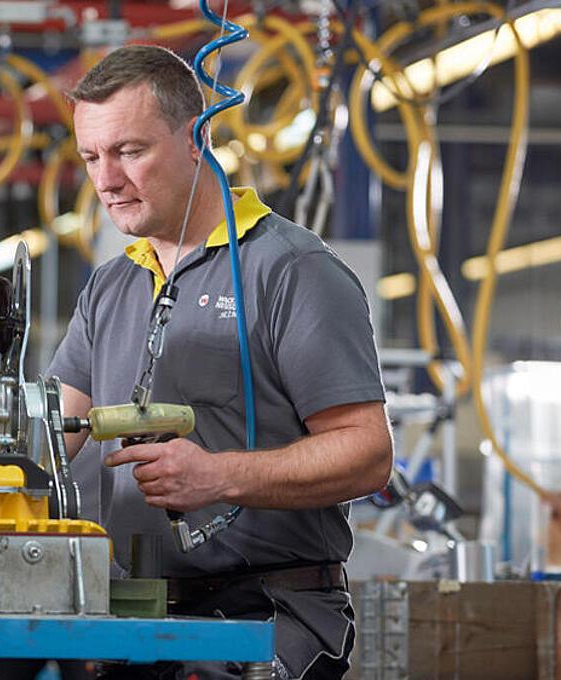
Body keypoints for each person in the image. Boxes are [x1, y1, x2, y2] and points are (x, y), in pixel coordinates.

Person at [50, 45, 395, 680]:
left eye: (129, 151)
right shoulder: (111, 286)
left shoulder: (290, 271)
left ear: (196, 138)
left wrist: (218, 477)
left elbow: (367, 452)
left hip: (266, 612)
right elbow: (51, 435)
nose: (107, 180)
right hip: (134, 610)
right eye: (91, 157)